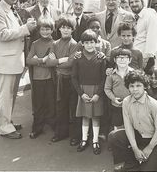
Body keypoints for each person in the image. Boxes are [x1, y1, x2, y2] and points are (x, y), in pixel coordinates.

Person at [0, 0, 36, 139]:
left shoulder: (11, 10)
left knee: (11, 94)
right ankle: (4, 127)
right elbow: (2, 34)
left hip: (14, 59)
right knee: (6, 95)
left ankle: (5, 122)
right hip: (6, 60)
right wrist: (25, 29)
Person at [108, 70, 157, 171]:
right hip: (137, 136)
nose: (135, 89)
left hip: (152, 140)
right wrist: (135, 148)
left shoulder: (153, 103)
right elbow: (128, 125)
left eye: (138, 86)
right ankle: (129, 161)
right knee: (114, 136)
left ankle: (153, 159)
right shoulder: (126, 101)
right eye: (131, 86)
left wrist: (150, 148)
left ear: (144, 86)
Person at [71, 30, 106, 154]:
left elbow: (104, 78)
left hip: (97, 91)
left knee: (95, 116)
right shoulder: (78, 58)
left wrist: (98, 94)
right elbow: (74, 77)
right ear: (82, 44)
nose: (90, 45)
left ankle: (95, 141)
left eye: (92, 42)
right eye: (87, 43)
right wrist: (81, 93)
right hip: (84, 91)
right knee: (85, 116)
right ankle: (84, 139)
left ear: (96, 43)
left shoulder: (101, 58)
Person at [46, 14, 79, 143]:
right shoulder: (54, 44)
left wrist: (57, 62)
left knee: (73, 106)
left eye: (68, 28)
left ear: (73, 30)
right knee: (60, 106)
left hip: (71, 80)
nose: (65, 30)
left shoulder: (74, 44)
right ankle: (61, 133)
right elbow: (48, 62)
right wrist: (61, 60)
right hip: (58, 79)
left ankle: (76, 136)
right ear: (59, 29)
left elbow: (71, 63)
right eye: (63, 27)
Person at [26, 16, 56, 139]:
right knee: (38, 104)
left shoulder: (55, 43)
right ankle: (37, 127)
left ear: (52, 30)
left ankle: (53, 125)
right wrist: (41, 60)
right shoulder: (35, 44)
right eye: (42, 29)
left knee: (51, 102)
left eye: (48, 29)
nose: (45, 32)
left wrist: (38, 61)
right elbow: (28, 60)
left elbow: (54, 61)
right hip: (38, 79)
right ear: (39, 30)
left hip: (51, 78)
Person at [127, 0, 157, 73]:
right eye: (131, 2)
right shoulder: (133, 17)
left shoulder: (150, 16)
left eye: (136, 1)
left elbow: (152, 38)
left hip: (145, 58)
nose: (134, 4)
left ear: (142, 2)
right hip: (133, 57)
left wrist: (146, 59)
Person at [104, 48, 133, 130]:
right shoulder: (111, 74)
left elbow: (137, 88)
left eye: (125, 58)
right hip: (117, 105)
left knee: (131, 124)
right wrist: (113, 98)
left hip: (131, 105)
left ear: (130, 60)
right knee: (117, 125)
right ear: (115, 60)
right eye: (119, 57)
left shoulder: (133, 73)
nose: (122, 60)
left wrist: (132, 98)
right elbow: (107, 89)